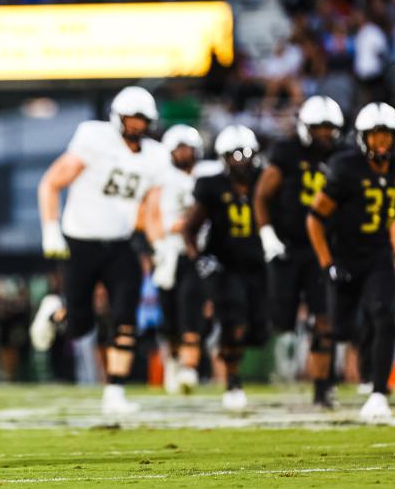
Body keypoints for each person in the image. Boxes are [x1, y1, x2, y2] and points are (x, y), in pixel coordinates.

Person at [37, 86, 169, 415]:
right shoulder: (94, 140)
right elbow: (51, 183)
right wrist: (51, 229)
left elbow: (150, 210)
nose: (136, 125)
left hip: (120, 244)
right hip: (80, 241)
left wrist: (161, 246)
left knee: (126, 317)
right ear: (117, 118)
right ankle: (55, 312)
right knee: (80, 326)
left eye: (142, 119)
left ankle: (115, 392)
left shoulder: (156, 156)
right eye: (131, 118)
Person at [307, 102, 395, 421]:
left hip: (378, 254)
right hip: (345, 255)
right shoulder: (346, 167)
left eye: (387, 136)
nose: (381, 143)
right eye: (375, 136)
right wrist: (327, 263)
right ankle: (323, 387)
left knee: (384, 314)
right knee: (340, 328)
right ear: (362, 138)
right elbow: (315, 218)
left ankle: (378, 392)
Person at [253, 95, 345, 407]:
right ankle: (277, 372)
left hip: (323, 248)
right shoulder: (286, 152)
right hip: (288, 247)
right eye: (318, 127)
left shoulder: (343, 156)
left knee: (325, 319)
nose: (324, 134)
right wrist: (267, 234)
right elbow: (262, 195)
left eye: (329, 128)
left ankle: (322, 388)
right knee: (279, 319)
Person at [183, 126, 267, 411]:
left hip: (260, 264)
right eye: (234, 155)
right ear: (223, 158)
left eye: (245, 154)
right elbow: (189, 228)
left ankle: (217, 335)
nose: (241, 161)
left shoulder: (266, 181)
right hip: (227, 265)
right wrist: (198, 258)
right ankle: (233, 381)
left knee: (259, 328)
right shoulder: (212, 186)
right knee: (236, 323)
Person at [143, 124, 204, 394]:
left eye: (187, 148)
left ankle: (189, 369)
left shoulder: (207, 175)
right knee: (169, 319)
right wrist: (157, 244)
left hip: (196, 253)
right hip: (169, 254)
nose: (183, 153)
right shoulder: (162, 179)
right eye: (178, 148)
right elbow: (151, 213)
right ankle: (174, 361)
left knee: (192, 312)